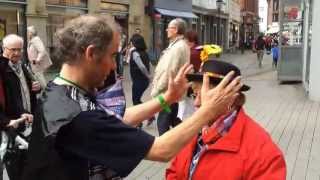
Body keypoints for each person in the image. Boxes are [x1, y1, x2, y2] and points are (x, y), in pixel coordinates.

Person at [22, 14, 243, 180]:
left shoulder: (59, 89)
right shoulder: (78, 118)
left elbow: (115, 119)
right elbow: (162, 150)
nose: (113, 66)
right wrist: (208, 111)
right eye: (112, 55)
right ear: (90, 53)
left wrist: (166, 98)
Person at [166, 60, 286, 180]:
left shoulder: (262, 152)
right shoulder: (194, 130)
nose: (196, 103)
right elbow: (174, 172)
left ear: (230, 99)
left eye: (204, 96)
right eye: (195, 95)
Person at [0, 34, 40, 180]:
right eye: (13, 50)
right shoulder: (2, 68)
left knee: (23, 162)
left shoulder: (22, 66)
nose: (17, 53)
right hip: (9, 123)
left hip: (25, 120)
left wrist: (36, 87)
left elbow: (27, 90)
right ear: (4, 49)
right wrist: (6, 121)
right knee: (9, 160)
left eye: (20, 50)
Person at [151, 18, 190, 135]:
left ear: (176, 30)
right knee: (173, 120)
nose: (167, 29)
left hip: (167, 92)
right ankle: (183, 145)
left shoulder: (177, 47)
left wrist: (156, 91)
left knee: (162, 123)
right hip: (172, 92)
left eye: (169, 27)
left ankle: (166, 150)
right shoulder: (178, 45)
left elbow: (169, 71)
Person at [129, 33, 154, 127]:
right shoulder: (145, 53)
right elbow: (149, 65)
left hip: (139, 80)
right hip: (143, 81)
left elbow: (142, 66)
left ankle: (139, 121)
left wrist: (148, 76)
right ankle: (149, 116)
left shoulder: (135, 53)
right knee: (137, 100)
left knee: (135, 100)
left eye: (131, 42)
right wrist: (149, 76)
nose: (130, 44)